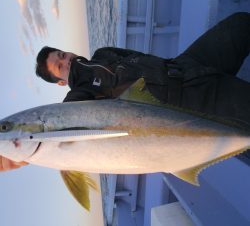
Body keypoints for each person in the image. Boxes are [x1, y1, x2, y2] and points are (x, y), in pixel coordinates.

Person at [1, 12, 250, 171]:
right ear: (59, 81)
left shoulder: (103, 53)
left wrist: (177, 68)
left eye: (63, 55)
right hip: (190, 102)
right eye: (59, 66)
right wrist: (19, 154)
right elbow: (62, 132)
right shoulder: (79, 98)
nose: (66, 61)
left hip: (185, 66)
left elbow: (146, 59)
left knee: (240, 24)